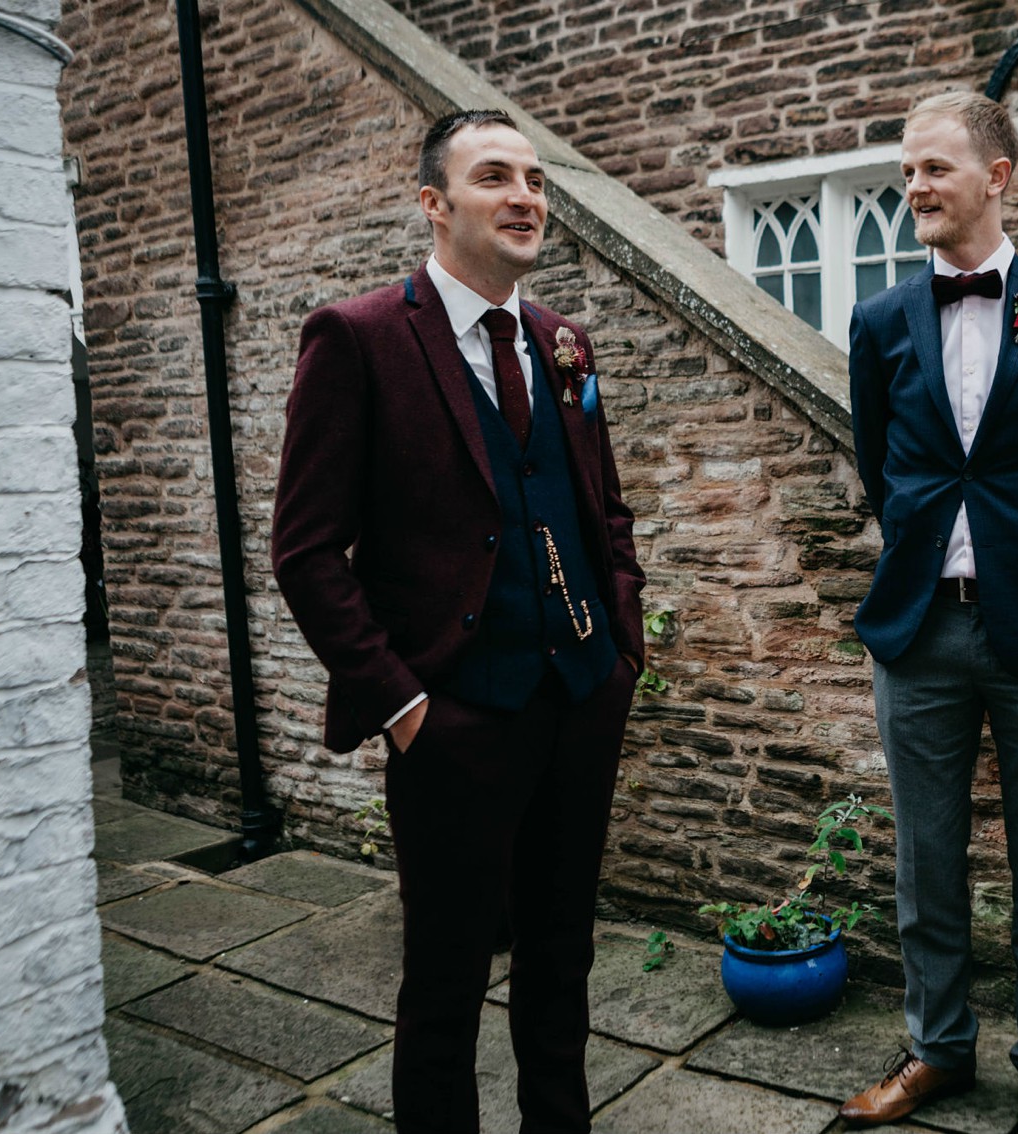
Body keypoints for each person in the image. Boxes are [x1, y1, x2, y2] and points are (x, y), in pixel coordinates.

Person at [271, 109, 644, 1134]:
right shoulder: (355, 338)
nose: (525, 196)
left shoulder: (564, 341)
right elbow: (304, 552)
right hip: (453, 720)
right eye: (495, 177)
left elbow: (600, 507)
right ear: (434, 204)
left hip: (578, 699)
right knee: (442, 984)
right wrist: (401, 704)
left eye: (534, 179)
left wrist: (621, 655)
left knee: (561, 964)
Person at [840, 91, 1018, 1134]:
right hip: (916, 631)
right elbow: (882, 469)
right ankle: (937, 1051)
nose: (912, 186)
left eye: (932, 168)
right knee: (926, 869)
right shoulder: (878, 321)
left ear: (995, 176)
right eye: (905, 170)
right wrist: (934, 560)